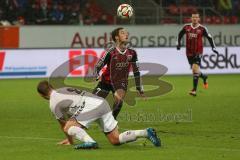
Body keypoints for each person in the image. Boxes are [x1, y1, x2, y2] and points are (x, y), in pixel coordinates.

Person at [37, 80, 161, 149]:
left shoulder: (53, 103)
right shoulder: (64, 89)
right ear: (52, 87)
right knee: (115, 140)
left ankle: (90, 142)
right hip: (102, 103)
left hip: (90, 107)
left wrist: (70, 140)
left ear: (41, 95)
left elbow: (63, 125)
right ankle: (145, 132)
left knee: (68, 127)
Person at [92, 27, 146, 119]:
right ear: (116, 37)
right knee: (92, 102)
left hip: (121, 83)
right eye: (123, 33)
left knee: (119, 100)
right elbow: (98, 66)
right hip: (105, 82)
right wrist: (97, 76)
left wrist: (139, 88)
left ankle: (112, 121)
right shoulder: (110, 52)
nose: (126, 34)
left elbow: (136, 71)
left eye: (126, 33)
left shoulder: (132, 53)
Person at [176, 13, 219, 96]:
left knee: (195, 69)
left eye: (196, 17)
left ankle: (194, 90)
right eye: (193, 17)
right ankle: (204, 77)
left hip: (198, 52)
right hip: (189, 52)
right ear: (191, 18)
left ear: (199, 19)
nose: (195, 18)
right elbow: (179, 34)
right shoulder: (186, 27)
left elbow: (210, 38)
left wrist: (213, 48)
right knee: (195, 70)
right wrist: (178, 44)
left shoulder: (202, 28)